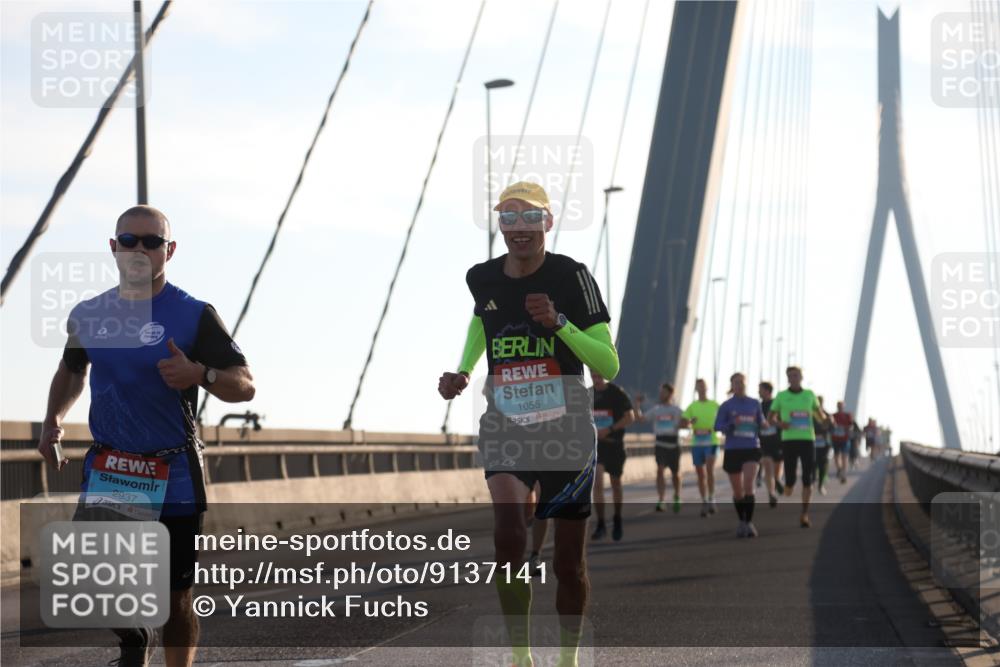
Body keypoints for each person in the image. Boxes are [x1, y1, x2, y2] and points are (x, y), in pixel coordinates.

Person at [37, 205, 255, 667]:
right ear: (114, 249)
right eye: (129, 241)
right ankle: (135, 638)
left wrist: (201, 373)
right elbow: (73, 371)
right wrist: (52, 418)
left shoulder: (193, 314)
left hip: (172, 469)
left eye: (151, 242)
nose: (140, 250)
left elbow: (245, 383)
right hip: (114, 467)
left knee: (175, 597)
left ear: (168, 251)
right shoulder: (89, 314)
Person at [437, 181, 618, 667]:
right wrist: (465, 369)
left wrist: (560, 323)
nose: (519, 228)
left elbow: (610, 363)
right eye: (508, 218)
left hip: (567, 430)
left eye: (529, 217)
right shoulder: (482, 277)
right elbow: (484, 321)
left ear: (548, 223)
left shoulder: (571, 276)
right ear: (499, 225)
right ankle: (521, 658)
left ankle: (567, 660)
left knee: (567, 564)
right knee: (508, 537)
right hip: (507, 426)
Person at [767, 366, 827, 528]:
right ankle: (787, 485)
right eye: (790, 376)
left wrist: (827, 420)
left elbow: (819, 414)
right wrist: (780, 423)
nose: (793, 378)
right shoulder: (781, 396)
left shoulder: (809, 395)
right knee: (791, 480)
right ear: (788, 378)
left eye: (796, 375)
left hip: (808, 440)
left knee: (808, 478)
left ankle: (804, 514)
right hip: (789, 440)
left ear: (801, 377)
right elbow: (769, 418)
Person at [714, 373, 766, 537]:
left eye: (742, 382)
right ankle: (741, 521)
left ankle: (749, 522)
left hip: (751, 447)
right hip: (733, 449)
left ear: (746, 384)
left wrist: (765, 424)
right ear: (732, 385)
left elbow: (761, 421)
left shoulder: (754, 403)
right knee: (737, 491)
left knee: (748, 484)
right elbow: (717, 426)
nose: (739, 385)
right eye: (736, 382)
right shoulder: (726, 406)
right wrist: (730, 424)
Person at [590, 370, 636, 541]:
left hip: (615, 446)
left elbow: (630, 418)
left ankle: (617, 518)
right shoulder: (587, 394)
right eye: (593, 376)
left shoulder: (617, 393)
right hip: (597, 447)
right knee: (598, 484)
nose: (596, 379)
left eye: (598, 375)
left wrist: (609, 430)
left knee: (616, 484)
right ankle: (601, 523)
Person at [634, 383, 684, 513]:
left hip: (673, 444)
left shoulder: (677, 410)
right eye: (660, 392)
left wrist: (688, 424)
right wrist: (637, 404)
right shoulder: (656, 410)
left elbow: (687, 423)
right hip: (660, 444)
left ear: (670, 393)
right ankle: (661, 500)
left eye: (663, 392)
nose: (661, 394)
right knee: (660, 471)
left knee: (675, 474)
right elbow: (640, 419)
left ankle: (677, 496)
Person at [681, 379, 720, 517]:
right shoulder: (692, 406)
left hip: (712, 442)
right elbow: (683, 423)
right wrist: (690, 424)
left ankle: (712, 499)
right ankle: (704, 501)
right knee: (700, 474)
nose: (701, 389)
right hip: (697, 443)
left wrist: (716, 427)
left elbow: (722, 420)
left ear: (707, 388)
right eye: (699, 387)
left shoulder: (715, 405)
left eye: (703, 386)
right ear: (696, 389)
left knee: (709, 470)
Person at [758, 381, 783, 507]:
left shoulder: (776, 404)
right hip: (764, 441)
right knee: (767, 466)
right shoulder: (758, 406)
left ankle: (777, 480)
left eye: (760, 389)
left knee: (777, 467)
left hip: (777, 440)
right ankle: (771, 493)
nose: (758, 392)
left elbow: (783, 420)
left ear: (767, 391)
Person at [813, 396, 833, 495]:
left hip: (824, 444)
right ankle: (812, 482)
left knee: (822, 464)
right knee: (813, 463)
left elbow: (833, 427)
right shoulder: (810, 414)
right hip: (812, 442)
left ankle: (820, 485)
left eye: (819, 402)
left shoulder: (827, 415)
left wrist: (829, 424)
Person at [831, 401, 854, 483]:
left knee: (844, 456)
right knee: (836, 456)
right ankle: (839, 469)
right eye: (839, 406)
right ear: (837, 406)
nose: (840, 407)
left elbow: (851, 425)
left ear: (843, 406)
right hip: (835, 439)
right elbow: (830, 426)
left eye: (841, 406)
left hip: (845, 439)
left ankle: (844, 474)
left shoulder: (848, 415)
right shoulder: (833, 416)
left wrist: (847, 429)